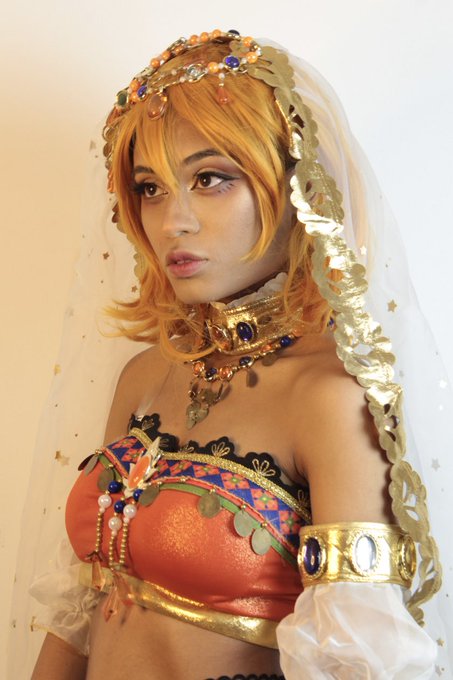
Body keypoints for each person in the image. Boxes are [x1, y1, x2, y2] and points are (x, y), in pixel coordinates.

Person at [9, 29, 452, 679]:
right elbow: (81, 610)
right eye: (150, 188)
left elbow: (357, 662)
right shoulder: (144, 376)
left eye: (209, 178)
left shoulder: (328, 398)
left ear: (298, 187)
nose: (173, 222)